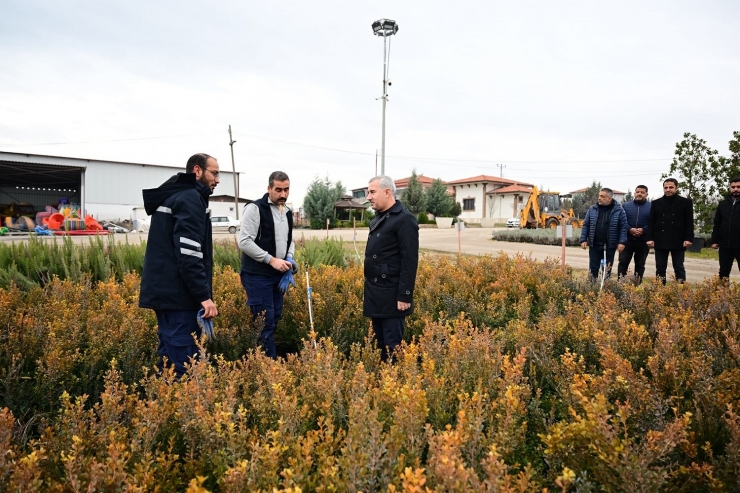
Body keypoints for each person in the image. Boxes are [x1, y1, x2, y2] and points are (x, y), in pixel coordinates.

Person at [139, 153, 219, 379]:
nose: (217, 179)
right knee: (185, 366)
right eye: (214, 173)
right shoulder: (190, 199)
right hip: (178, 298)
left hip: (168, 295)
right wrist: (204, 296)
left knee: (168, 360)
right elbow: (189, 253)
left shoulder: (177, 195)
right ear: (197, 171)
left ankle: (159, 408)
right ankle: (179, 411)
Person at [238, 171, 296, 359]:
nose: (283, 194)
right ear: (269, 188)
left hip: (278, 275)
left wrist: (289, 257)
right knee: (264, 322)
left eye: (286, 190)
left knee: (274, 318)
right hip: (257, 275)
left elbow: (290, 240)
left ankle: (266, 362)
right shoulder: (255, 209)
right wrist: (271, 260)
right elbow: (245, 242)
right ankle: (267, 367)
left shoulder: (286, 211)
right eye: (278, 190)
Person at [363, 176, 419, 362]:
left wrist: (405, 294)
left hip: (392, 294)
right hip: (377, 292)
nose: (368, 197)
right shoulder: (381, 218)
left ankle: (395, 383)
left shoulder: (404, 220)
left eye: (372, 192)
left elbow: (409, 261)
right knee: (380, 344)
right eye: (368, 192)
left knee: (392, 346)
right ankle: (384, 384)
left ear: (387, 192)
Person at [647, 178, 694, 284]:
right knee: (660, 268)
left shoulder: (685, 202)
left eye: (671, 187)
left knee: (678, 267)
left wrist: (688, 238)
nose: (668, 190)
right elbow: (651, 222)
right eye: (666, 187)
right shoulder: (656, 203)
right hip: (660, 239)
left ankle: (681, 291)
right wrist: (650, 238)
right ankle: (659, 291)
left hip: (678, 239)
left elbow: (689, 222)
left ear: (676, 188)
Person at [580, 188, 628, 280]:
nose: (599, 198)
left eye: (602, 196)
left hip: (609, 246)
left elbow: (623, 227)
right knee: (593, 269)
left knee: (606, 270)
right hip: (595, 245)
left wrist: (622, 242)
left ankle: (605, 289)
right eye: (599, 196)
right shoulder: (592, 209)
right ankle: (591, 290)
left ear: (609, 198)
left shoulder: (619, 210)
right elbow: (586, 225)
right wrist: (583, 239)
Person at [617, 185, 652, 282]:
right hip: (627, 240)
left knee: (640, 265)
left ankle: (637, 285)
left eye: (642, 192)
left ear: (646, 194)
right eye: (638, 192)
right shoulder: (626, 206)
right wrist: (630, 229)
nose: (639, 194)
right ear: (634, 193)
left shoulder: (652, 207)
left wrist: (643, 230)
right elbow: (621, 221)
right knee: (623, 263)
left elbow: (653, 222)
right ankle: (620, 284)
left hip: (643, 241)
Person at [710, 177, 740, 279]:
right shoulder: (723, 204)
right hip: (725, 245)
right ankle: (724, 295)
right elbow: (717, 223)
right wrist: (714, 240)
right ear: (729, 188)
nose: (736, 189)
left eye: (738, 187)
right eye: (733, 187)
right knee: (723, 272)